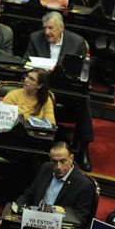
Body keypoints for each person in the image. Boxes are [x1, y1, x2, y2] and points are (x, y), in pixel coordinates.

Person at [23, 12, 93, 170]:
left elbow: (82, 71)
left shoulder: (77, 42)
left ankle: (83, 148)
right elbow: (26, 62)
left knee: (85, 100)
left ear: (62, 28)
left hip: (67, 90)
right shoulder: (35, 38)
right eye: (45, 28)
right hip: (42, 88)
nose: (47, 32)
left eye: (51, 28)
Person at [14, 141, 96, 227]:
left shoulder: (84, 185)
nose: (58, 167)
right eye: (54, 161)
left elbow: (80, 219)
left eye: (63, 161)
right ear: (50, 159)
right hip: (32, 221)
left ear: (71, 158)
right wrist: (15, 211)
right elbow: (28, 195)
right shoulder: (46, 168)